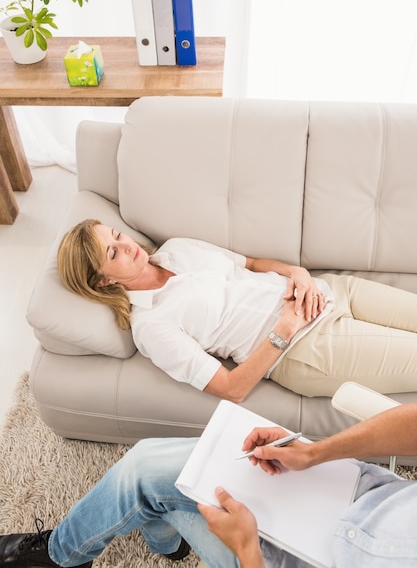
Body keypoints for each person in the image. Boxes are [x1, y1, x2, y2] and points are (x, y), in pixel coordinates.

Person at [1, 402, 416, 567]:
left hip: (288, 561)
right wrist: (316, 452)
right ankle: (154, 543)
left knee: (157, 492)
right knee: (145, 465)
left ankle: (57, 560)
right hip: (353, 488)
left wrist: (248, 550)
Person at [56, 219, 417, 401]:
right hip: (310, 346)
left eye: (117, 236)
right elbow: (232, 389)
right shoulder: (151, 325)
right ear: (102, 281)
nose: (126, 246)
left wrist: (299, 273)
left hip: (331, 290)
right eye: (112, 253)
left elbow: (253, 263)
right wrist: (286, 328)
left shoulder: (177, 248)